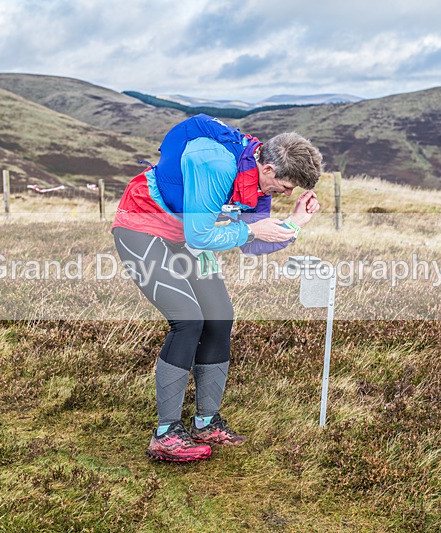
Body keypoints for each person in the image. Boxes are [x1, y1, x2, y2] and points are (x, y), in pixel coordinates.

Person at [110, 114, 322, 462]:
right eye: (286, 187)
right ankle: (165, 434)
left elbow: (253, 243)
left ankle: (205, 423)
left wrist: (296, 222)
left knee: (220, 317)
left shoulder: (256, 182)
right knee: (188, 320)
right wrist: (250, 230)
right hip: (142, 225)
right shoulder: (216, 163)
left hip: (183, 235)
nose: (287, 194)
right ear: (269, 168)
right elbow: (202, 236)